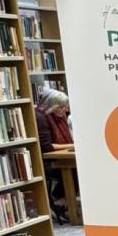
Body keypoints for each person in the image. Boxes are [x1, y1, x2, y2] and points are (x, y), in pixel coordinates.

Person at [36, 90, 74, 223]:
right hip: (47, 162)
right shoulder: (41, 118)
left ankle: (64, 203)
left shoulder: (58, 117)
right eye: (61, 107)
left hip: (59, 158)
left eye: (65, 106)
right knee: (75, 171)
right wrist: (72, 146)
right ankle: (59, 202)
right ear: (51, 106)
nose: (65, 110)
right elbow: (47, 147)